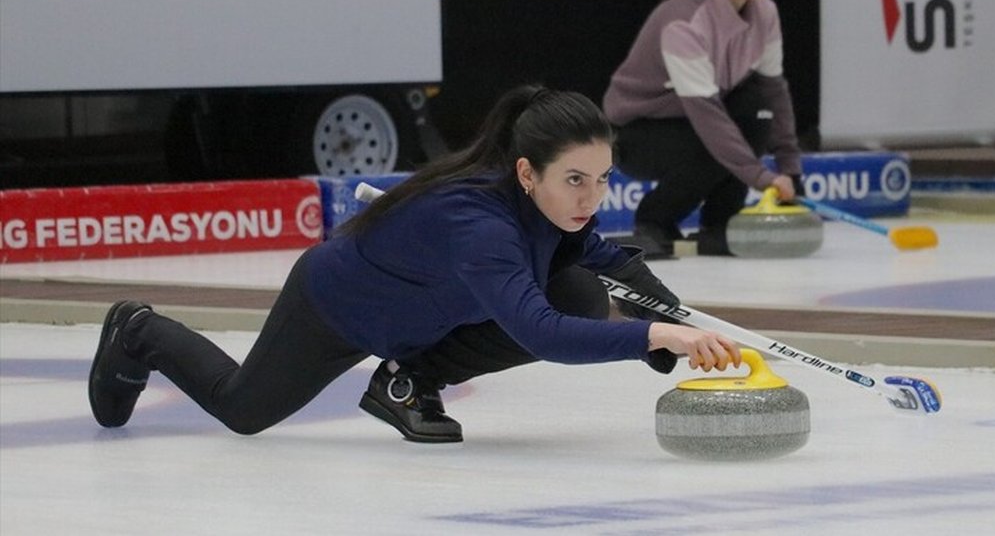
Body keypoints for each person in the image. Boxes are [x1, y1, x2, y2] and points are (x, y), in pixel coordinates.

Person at [88, 85, 742, 444]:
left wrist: (679, 320)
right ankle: (139, 331)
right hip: (338, 311)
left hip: (425, 322)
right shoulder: (481, 226)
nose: (591, 198)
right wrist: (656, 334)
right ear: (526, 171)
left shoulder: (554, 209)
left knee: (574, 288)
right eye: (576, 179)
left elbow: (609, 264)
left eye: (601, 180)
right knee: (243, 412)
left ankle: (406, 380)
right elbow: (540, 332)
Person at [603, 0, 806, 258]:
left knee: (755, 108)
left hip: (693, 120)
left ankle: (720, 224)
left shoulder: (766, 13)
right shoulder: (683, 21)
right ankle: (654, 221)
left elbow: (775, 92)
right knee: (715, 140)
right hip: (636, 133)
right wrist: (760, 177)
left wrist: (790, 167)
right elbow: (707, 115)